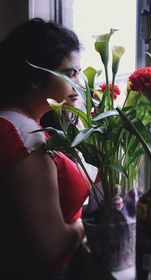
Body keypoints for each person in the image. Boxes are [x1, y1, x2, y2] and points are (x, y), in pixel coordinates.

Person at [0, 18, 89, 279]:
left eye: (79, 72)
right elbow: (51, 246)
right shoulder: (27, 137)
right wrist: (86, 225)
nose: (80, 84)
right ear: (34, 78)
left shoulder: (11, 122)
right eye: (70, 73)